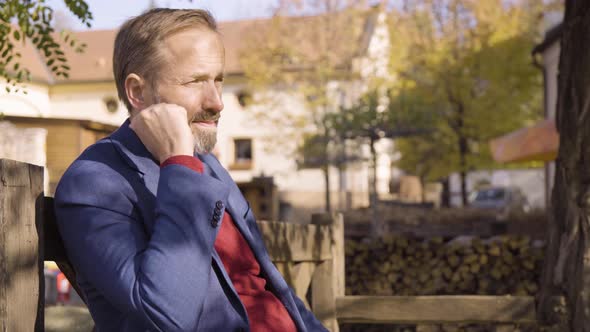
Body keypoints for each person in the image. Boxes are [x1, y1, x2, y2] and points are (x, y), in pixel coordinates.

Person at [54, 8, 327, 332]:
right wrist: (178, 164)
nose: (217, 102)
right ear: (137, 92)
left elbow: (269, 290)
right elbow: (167, 317)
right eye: (195, 81)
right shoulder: (94, 183)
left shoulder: (209, 167)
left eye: (218, 81)